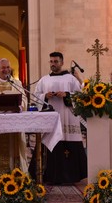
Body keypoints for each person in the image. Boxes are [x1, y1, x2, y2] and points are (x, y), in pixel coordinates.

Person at [28, 51, 87, 185]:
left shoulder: (70, 79)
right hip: (50, 119)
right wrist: (45, 96)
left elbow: (80, 96)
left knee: (68, 146)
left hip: (68, 118)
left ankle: (72, 177)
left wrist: (67, 95)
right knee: (50, 146)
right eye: (51, 62)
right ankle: (49, 176)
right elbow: (36, 95)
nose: (53, 64)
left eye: (56, 61)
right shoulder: (44, 79)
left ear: (62, 62)